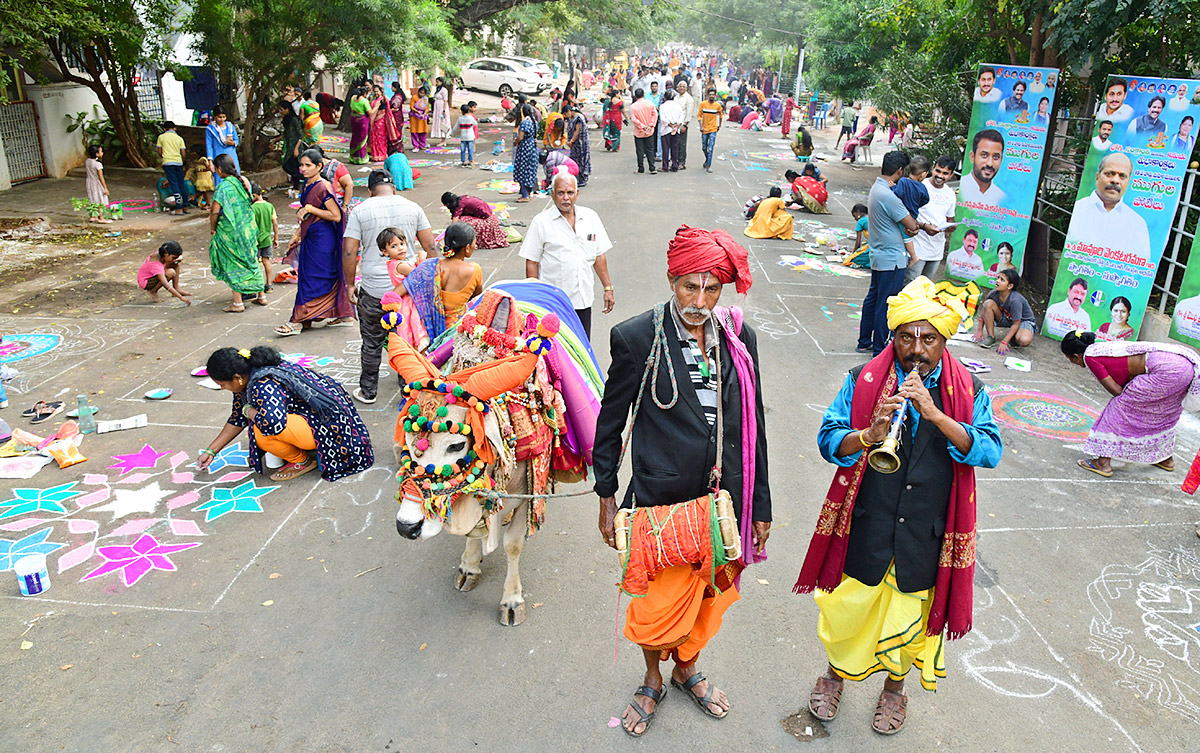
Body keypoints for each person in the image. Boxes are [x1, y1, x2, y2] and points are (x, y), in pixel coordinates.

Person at [798, 277, 1002, 735]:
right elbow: (829, 439)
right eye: (906, 336)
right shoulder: (863, 380)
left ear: (944, 341)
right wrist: (869, 435)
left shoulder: (969, 390)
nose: (916, 348)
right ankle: (835, 676)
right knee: (846, 612)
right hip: (868, 527)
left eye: (928, 338)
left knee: (909, 621)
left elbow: (989, 450)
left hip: (925, 537)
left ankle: (894, 689)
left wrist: (936, 415)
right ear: (892, 336)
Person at [593, 225, 771, 738]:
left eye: (711, 288)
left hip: (723, 501)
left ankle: (686, 667)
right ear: (672, 280)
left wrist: (760, 505)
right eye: (689, 287)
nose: (700, 300)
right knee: (655, 602)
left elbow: (752, 423)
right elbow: (610, 423)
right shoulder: (636, 337)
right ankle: (652, 677)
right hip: (660, 501)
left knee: (709, 594)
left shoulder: (740, 338)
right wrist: (606, 496)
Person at [200, 346, 373, 483]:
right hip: (331, 417)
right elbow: (237, 418)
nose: (222, 388)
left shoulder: (262, 383)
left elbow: (272, 424)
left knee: (260, 432)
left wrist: (249, 411)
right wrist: (211, 451)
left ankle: (301, 461)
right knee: (258, 420)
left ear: (237, 377)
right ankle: (303, 447)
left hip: (332, 428)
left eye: (222, 384)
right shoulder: (250, 371)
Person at [343, 169, 434, 404]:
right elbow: (430, 247)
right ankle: (408, 383)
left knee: (372, 342)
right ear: (393, 188)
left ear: (370, 190)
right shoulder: (413, 207)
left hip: (373, 290)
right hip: (406, 293)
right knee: (406, 339)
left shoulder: (360, 210)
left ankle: (368, 391)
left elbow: (350, 251)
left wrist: (350, 284)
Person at [1062, 331, 1200, 477]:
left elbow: (1117, 391)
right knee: (1162, 412)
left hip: (1166, 371)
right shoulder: (1102, 346)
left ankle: (1102, 463)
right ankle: (1165, 459)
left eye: (1069, 358)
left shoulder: (1090, 357)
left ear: (1076, 356)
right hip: (1185, 368)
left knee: (1119, 409)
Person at [520, 171, 614, 339]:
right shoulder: (541, 222)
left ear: (577, 194)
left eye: (570, 192)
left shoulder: (590, 217)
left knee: (582, 350)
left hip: (583, 301)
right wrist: (534, 299)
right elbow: (532, 262)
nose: (565, 198)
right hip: (553, 304)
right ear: (552, 194)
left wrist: (608, 288)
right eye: (561, 193)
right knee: (555, 354)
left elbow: (599, 256)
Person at [275, 149, 353, 336]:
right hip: (310, 235)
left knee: (312, 277)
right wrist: (297, 234)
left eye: (308, 165)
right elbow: (306, 214)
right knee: (310, 277)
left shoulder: (323, 186)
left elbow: (335, 215)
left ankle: (298, 320)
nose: (303, 169)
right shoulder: (307, 184)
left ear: (319, 166)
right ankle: (331, 315)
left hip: (323, 239)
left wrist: (310, 208)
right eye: (301, 165)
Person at [857, 151, 920, 355]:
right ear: (900, 171)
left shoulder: (878, 189)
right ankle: (879, 347)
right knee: (886, 303)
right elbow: (911, 224)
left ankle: (865, 339)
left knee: (874, 299)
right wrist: (917, 227)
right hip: (892, 258)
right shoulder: (889, 196)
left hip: (880, 254)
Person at [396, 221, 483, 336]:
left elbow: (396, 294)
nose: (475, 246)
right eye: (474, 243)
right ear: (467, 248)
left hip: (428, 332)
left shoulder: (428, 267)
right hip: (456, 333)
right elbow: (476, 299)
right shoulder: (475, 270)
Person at [1065, 152, 1151, 264]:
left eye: (1122, 176)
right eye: (1110, 173)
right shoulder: (1077, 209)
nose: (1115, 180)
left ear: (1128, 182)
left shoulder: (1137, 223)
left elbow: (1142, 267)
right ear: (1097, 177)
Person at [208, 154, 266, 312]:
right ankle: (261, 295)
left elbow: (215, 212)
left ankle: (238, 303)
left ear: (219, 169)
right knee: (251, 259)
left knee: (233, 263)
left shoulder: (222, 187)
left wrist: (212, 228)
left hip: (231, 231)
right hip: (248, 228)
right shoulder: (244, 181)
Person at [909, 156, 956, 282]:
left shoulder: (950, 194)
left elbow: (950, 219)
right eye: (938, 171)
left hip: (936, 250)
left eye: (945, 173)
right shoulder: (919, 186)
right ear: (933, 168)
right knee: (909, 287)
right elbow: (906, 216)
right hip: (917, 247)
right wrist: (924, 226)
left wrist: (951, 227)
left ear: (951, 175)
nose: (940, 176)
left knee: (925, 287)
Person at [973, 268, 1036, 353]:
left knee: (1024, 340)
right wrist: (980, 330)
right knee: (988, 303)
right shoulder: (993, 293)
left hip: (1022, 321)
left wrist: (1004, 342)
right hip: (1007, 318)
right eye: (998, 278)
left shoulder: (1015, 301)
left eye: (1002, 280)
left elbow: (1017, 323)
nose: (997, 281)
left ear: (1010, 286)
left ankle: (1015, 337)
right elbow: (984, 310)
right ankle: (991, 337)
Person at [441, 191, 508, 249]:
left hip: (488, 222)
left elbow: (454, 223)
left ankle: (472, 241)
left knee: (462, 222)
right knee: (462, 220)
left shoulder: (460, 204)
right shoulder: (462, 199)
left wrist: (450, 238)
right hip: (489, 218)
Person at [958, 129, 1007, 207]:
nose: (990, 163)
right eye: (984, 155)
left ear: (1001, 160)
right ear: (972, 157)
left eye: (996, 157)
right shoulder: (960, 191)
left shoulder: (1002, 198)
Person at [138, 240, 192, 305]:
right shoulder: (156, 265)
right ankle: (153, 291)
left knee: (176, 263)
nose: (174, 259)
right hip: (146, 282)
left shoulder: (160, 254)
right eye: (173, 257)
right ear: (166, 254)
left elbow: (168, 262)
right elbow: (165, 284)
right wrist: (181, 298)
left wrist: (175, 261)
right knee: (170, 273)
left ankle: (176, 288)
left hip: (152, 274)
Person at [156, 121, 188, 215]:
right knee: (181, 183)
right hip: (178, 162)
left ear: (164, 129)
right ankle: (185, 206)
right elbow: (183, 153)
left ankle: (179, 208)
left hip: (167, 162)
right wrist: (181, 160)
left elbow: (159, 151)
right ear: (175, 128)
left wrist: (165, 157)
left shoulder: (161, 137)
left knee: (174, 184)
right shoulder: (179, 138)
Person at [250, 184, 278, 292]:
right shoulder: (269, 206)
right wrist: (275, 238)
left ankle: (257, 285)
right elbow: (275, 223)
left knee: (255, 263)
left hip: (255, 240)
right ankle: (268, 284)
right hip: (267, 239)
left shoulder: (252, 208)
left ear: (254, 195)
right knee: (266, 260)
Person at [512, 104, 540, 202]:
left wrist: (515, 142)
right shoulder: (534, 122)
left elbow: (520, 137)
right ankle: (528, 192)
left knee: (522, 170)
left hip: (525, 148)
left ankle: (524, 195)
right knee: (530, 170)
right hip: (533, 147)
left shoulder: (525, 123)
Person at [205, 107, 240, 184]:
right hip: (218, 156)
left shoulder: (230, 126)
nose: (222, 119)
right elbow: (209, 146)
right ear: (215, 116)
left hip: (231, 156)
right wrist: (210, 161)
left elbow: (236, 140)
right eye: (219, 117)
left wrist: (233, 143)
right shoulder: (210, 129)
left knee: (235, 178)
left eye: (224, 117)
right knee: (220, 180)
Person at [369, 84, 401, 163]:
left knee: (381, 139)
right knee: (374, 138)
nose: (376, 93)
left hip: (381, 121)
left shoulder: (383, 99)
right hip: (374, 122)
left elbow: (386, 106)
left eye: (377, 91)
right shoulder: (373, 99)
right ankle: (375, 155)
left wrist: (383, 96)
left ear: (381, 91)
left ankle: (382, 155)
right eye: (374, 91)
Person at [631, 88, 660, 175]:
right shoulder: (650, 104)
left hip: (639, 132)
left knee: (640, 151)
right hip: (649, 131)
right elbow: (655, 115)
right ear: (643, 94)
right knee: (650, 149)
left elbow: (634, 119)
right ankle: (652, 167)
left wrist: (642, 127)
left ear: (635, 96)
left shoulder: (633, 106)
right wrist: (651, 125)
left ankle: (641, 168)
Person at [565, 104, 592, 186]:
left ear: (569, 111)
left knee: (581, 160)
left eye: (566, 114)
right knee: (574, 160)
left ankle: (583, 178)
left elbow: (577, 131)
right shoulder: (572, 118)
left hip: (580, 143)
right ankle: (576, 177)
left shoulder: (578, 118)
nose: (566, 116)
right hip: (575, 144)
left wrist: (571, 141)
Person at [84, 145, 112, 224]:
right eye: (101, 151)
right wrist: (105, 188)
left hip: (89, 181)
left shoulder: (88, 161)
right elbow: (101, 177)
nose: (102, 153)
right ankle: (100, 217)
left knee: (92, 198)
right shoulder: (98, 164)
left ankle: (92, 216)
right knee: (98, 199)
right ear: (96, 154)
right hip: (96, 182)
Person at [657, 91, 685, 172]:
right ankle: (674, 165)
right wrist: (677, 125)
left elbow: (663, 118)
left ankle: (665, 166)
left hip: (666, 130)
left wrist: (670, 125)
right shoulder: (677, 105)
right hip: (676, 130)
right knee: (675, 148)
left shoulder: (663, 106)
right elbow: (681, 116)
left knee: (665, 149)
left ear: (665, 98)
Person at [698, 88, 723, 173]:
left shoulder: (717, 105)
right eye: (710, 94)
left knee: (711, 148)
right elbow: (699, 116)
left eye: (713, 95)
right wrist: (701, 126)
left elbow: (720, 115)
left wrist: (719, 125)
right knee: (704, 147)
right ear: (708, 95)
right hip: (704, 129)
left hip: (713, 128)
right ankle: (707, 158)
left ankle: (709, 165)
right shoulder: (703, 104)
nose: (712, 96)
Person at [675, 80, 695, 169]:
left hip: (683, 124)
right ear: (677, 87)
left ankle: (682, 163)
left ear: (686, 88)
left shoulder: (688, 98)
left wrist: (685, 125)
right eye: (680, 86)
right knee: (675, 144)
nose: (682, 88)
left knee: (682, 144)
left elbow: (689, 113)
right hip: (675, 124)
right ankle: (675, 161)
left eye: (683, 86)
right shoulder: (676, 97)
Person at [430, 78, 452, 146]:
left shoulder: (444, 90)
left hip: (442, 107)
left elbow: (445, 100)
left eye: (438, 82)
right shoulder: (438, 89)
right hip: (437, 108)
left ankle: (444, 140)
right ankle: (442, 139)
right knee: (438, 122)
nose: (436, 83)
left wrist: (444, 110)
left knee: (443, 122)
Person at [409, 86, 430, 151]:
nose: (421, 95)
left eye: (423, 93)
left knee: (423, 131)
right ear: (418, 92)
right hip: (415, 117)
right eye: (420, 93)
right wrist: (417, 112)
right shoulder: (414, 97)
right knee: (414, 131)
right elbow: (412, 107)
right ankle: (415, 146)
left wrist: (425, 113)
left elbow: (427, 107)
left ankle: (422, 145)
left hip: (422, 117)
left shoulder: (426, 99)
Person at [389, 82, 407, 148]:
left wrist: (388, 111)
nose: (391, 88)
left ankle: (397, 146)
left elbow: (396, 108)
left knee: (396, 130)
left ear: (395, 88)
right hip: (396, 115)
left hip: (396, 115)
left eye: (392, 87)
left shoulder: (397, 96)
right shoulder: (397, 95)